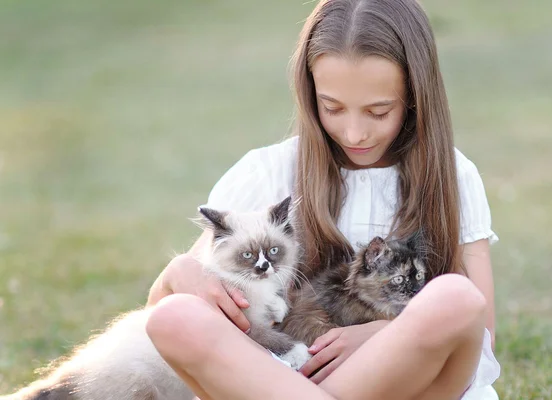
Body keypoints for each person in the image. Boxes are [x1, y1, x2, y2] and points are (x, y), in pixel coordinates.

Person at [145, 0, 501, 399]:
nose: (353, 134)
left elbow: (479, 339)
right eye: (332, 108)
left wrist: (385, 333)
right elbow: (162, 314)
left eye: (378, 111)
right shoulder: (268, 171)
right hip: (280, 378)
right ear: (309, 93)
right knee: (174, 317)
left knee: (455, 298)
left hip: (411, 385)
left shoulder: (451, 175)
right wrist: (177, 274)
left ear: (416, 98)